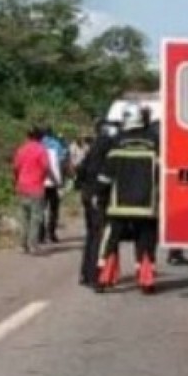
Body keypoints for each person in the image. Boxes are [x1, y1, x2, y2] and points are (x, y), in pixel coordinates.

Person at [96, 105, 162, 294]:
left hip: (119, 206)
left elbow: (105, 177)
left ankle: (103, 279)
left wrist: (100, 197)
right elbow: (161, 175)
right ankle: (146, 281)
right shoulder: (155, 142)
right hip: (147, 205)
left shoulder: (118, 142)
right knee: (146, 241)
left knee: (110, 240)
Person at [74, 120, 117, 287]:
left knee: (92, 235)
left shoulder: (94, 147)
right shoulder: (108, 146)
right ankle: (95, 275)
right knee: (100, 236)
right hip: (98, 196)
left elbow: (81, 170)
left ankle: (86, 273)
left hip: (88, 194)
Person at [12, 127, 53, 256]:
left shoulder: (21, 149)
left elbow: (15, 168)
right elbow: (46, 167)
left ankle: (22, 244)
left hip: (22, 186)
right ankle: (33, 245)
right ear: (40, 137)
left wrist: (17, 180)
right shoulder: (41, 150)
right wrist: (46, 177)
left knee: (24, 216)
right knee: (36, 217)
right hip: (36, 187)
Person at [39, 126, 68, 246]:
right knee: (54, 209)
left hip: (40, 182)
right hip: (54, 182)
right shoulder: (57, 144)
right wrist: (61, 179)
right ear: (52, 133)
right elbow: (62, 162)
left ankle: (40, 235)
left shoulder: (39, 144)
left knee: (40, 209)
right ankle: (51, 233)